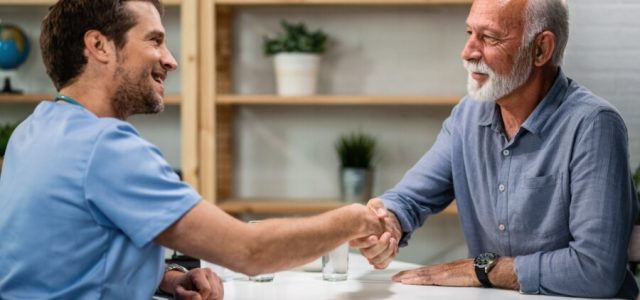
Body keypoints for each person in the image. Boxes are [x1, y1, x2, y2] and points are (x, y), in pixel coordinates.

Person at [0, 1, 386, 299]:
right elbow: (249, 251)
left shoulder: (31, 131)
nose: (171, 60)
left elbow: (60, 260)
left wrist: (164, 279)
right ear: (99, 46)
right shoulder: (106, 146)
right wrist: (353, 220)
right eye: (154, 40)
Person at [351, 0, 639, 299]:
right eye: (469, 33)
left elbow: (596, 270)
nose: (468, 52)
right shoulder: (467, 117)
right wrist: (389, 224)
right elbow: (409, 198)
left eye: (489, 38)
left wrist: (481, 270)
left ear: (540, 49)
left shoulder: (594, 125)